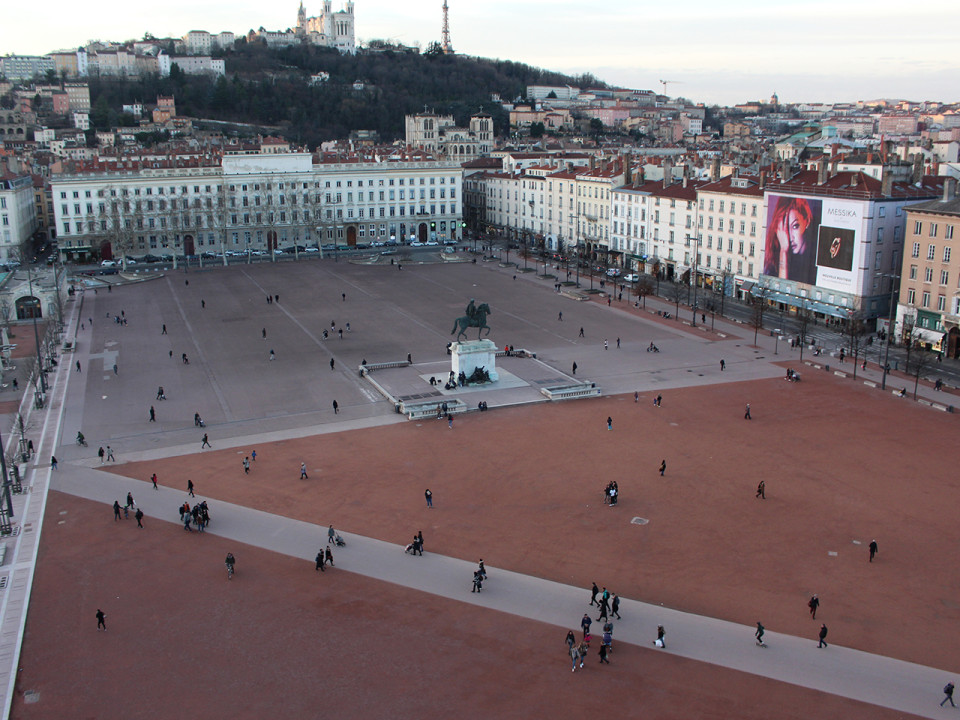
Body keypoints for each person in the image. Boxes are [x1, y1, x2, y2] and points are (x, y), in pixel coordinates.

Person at [763, 195, 817, 285]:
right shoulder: (774, 261)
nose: (789, 237)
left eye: (795, 226)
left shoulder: (815, 261)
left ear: (807, 221)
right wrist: (783, 251)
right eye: (785, 229)